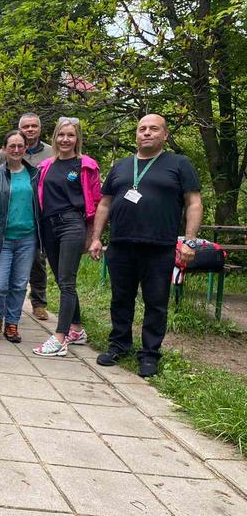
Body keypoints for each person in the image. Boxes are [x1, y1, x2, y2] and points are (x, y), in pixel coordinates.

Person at [90, 114, 202, 377]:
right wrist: (96, 237)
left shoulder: (179, 164)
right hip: (121, 244)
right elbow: (105, 204)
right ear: (136, 135)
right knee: (121, 299)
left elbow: (194, 203)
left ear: (165, 135)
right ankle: (119, 345)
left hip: (159, 247)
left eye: (154, 129)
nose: (147, 133)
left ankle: (150, 354)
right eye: (142, 129)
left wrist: (189, 241)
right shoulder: (121, 165)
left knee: (156, 302)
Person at [32, 117, 101, 357]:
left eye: (70, 135)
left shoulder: (86, 165)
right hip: (49, 226)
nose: (65, 140)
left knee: (67, 281)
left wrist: (94, 236)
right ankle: (77, 330)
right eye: (61, 135)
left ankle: (60, 338)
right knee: (62, 281)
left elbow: (97, 203)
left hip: (72, 223)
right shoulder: (46, 166)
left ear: (77, 139)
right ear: (55, 138)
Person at [0, 130, 40, 343]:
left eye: (20, 146)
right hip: (2, 239)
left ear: (26, 148)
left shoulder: (35, 174)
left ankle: (12, 323)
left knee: (20, 284)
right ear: (4, 149)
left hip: (27, 239)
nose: (15, 150)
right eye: (11, 146)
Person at [0, 113, 53, 321]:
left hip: (36, 217)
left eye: (34, 126)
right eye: (26, 126)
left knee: (38, 261)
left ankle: (38, 302)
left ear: (39, 128)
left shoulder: (50, 152)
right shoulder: (7, 152)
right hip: (9, 221)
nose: (30, 130)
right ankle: (0, 312)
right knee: (2, 277)